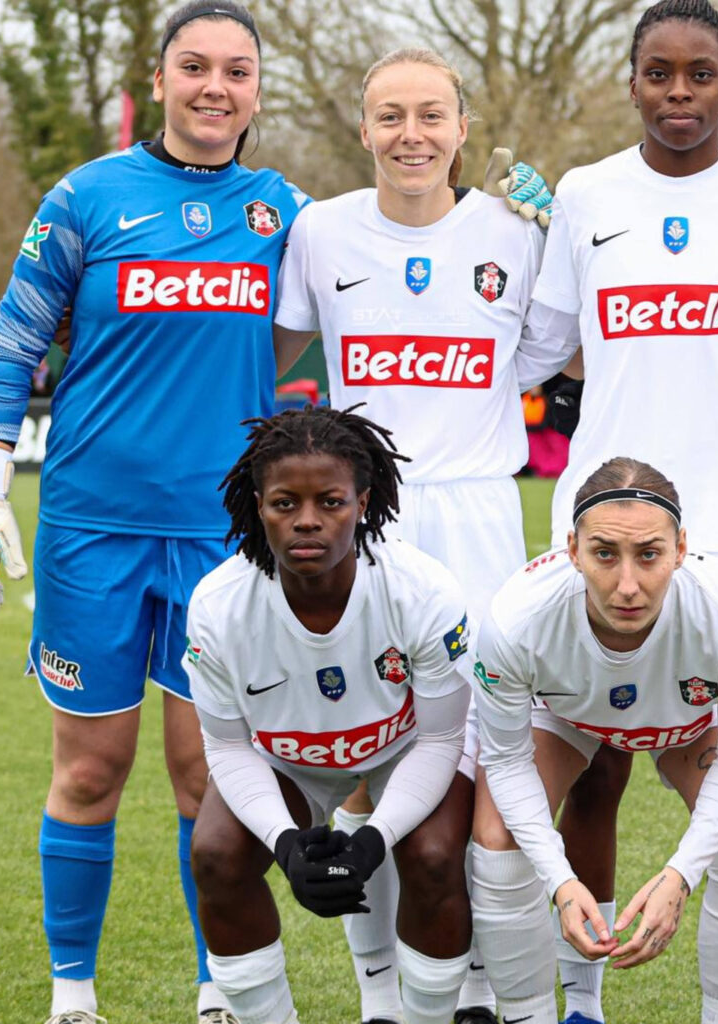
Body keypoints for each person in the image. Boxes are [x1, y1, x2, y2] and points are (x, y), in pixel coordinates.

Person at [0, 5, 307, 1021]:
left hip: (225, 537)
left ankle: (219, 989)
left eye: (236, 70)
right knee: (93, 767)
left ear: (255, 89)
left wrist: (509, 225)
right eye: (193, 66)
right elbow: (14, 345)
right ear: (159, 80)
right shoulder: (85, 197)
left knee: (208, 770)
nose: (215, 86)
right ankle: (73, 995)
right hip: (91, 528)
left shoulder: (288, 210)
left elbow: (392, 266)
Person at [515, 2, 718, 1015]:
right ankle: (579, 1000)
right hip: (606, 527)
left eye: (699, 76)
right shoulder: (586, 192)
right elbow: (553, 336)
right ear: (632, 82)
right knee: (590, 772)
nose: (678, 94)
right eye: (659, 74)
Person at [270, 44, 559, 1023]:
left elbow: (560, 346)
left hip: (479, 509)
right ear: (363, 130)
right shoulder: (319, 233)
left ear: (464, 127)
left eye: (431, 114)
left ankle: (473, 979)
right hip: (368, 522)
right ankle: (379, 995)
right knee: (369, 752)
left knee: (476, 749)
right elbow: (271, 354)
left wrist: (567, 224)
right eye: (390, 115)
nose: (411, 134)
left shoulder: (514, 234)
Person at [185, 405, 477, 1024]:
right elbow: (229, 749)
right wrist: (286, 844)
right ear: (257, 506)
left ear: (364, 502)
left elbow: (443, 737)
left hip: (407, 749)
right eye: (285, 504)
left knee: (430, 857)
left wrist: (372, 838)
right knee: (216, 855)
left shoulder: (421, 591)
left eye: (331, 502)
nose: (307, 521)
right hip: (288, 761)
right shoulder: (218, 607)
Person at [473, 457, 718, 1024]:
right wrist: (560, 883)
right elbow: (506, 761)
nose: (628, 585)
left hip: (684, 720)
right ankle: (547, 1013)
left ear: (681, 548)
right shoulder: (516, 618)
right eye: (605, 554)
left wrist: (681, 874)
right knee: (496, 838)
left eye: (650, 554)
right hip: (569, 715)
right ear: (573, 549)